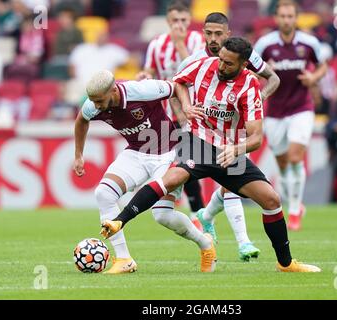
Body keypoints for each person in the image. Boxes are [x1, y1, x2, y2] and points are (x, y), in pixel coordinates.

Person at [101, 37, 321, 273]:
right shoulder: (205, 65)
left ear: (244, 64)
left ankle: (285, 263)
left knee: (271, 200)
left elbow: (256, 137)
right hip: (197, 142)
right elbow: (178, 84)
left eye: (228, 63)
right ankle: (119, 220)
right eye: (221, 59)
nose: (221, 66)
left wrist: (236, 149)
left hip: (229, 151)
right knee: (173, 179)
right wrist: (186, 106)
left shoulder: (249, 86)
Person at [74, 70, 216, 274]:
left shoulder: (141, 90)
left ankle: (205, 244)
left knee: (162, 216)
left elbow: (176, 86)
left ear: (113, 90)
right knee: (103, 193)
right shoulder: (92, 106)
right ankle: (124, 259)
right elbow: (81, 120)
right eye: (93, 101)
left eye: (99, 100)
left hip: (169, 153)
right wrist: (79, 154)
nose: (95, 105)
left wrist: (185, 108)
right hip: (137, 152)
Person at [177, 12, 280, 261]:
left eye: (218, 34)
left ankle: (209, 217)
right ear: (203, 33)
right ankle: (243, 241)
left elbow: (273, 78)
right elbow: (176, 87)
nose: (213, 39)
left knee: (230, 181)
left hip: (234, 128)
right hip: (202, 132)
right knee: (228, 180)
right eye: (208, 33)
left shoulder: (243, 55)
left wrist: (255, 100)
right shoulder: (195, 61)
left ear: (228, 34)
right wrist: (184, 113)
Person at [254, 0, 328, 231]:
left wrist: (313, 79)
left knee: (295, 157)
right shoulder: (265, 44)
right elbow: (251, 70)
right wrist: (264, 76)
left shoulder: (309, 42)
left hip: (301, 108)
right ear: (276, 18)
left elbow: (323, 65)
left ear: (296, 18)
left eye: (290, 16)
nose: (286, 20)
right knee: (283, 164)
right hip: (275, 111)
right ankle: (294, 202)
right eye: (282, 16)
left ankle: (295, 209)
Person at [137, 1, 205, 228]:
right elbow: (150, 70)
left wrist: (179, 45)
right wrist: (143, 75)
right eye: (175, 20)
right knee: (174, 164)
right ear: (168, 21)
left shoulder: (196, 41)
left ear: (190, 20)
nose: (179, 25)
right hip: (166, 114)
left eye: (183, 20)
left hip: (192, 111)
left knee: (191, 164)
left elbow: (198, 71)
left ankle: (198, 214)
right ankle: (194, 213)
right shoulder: (156, 44)